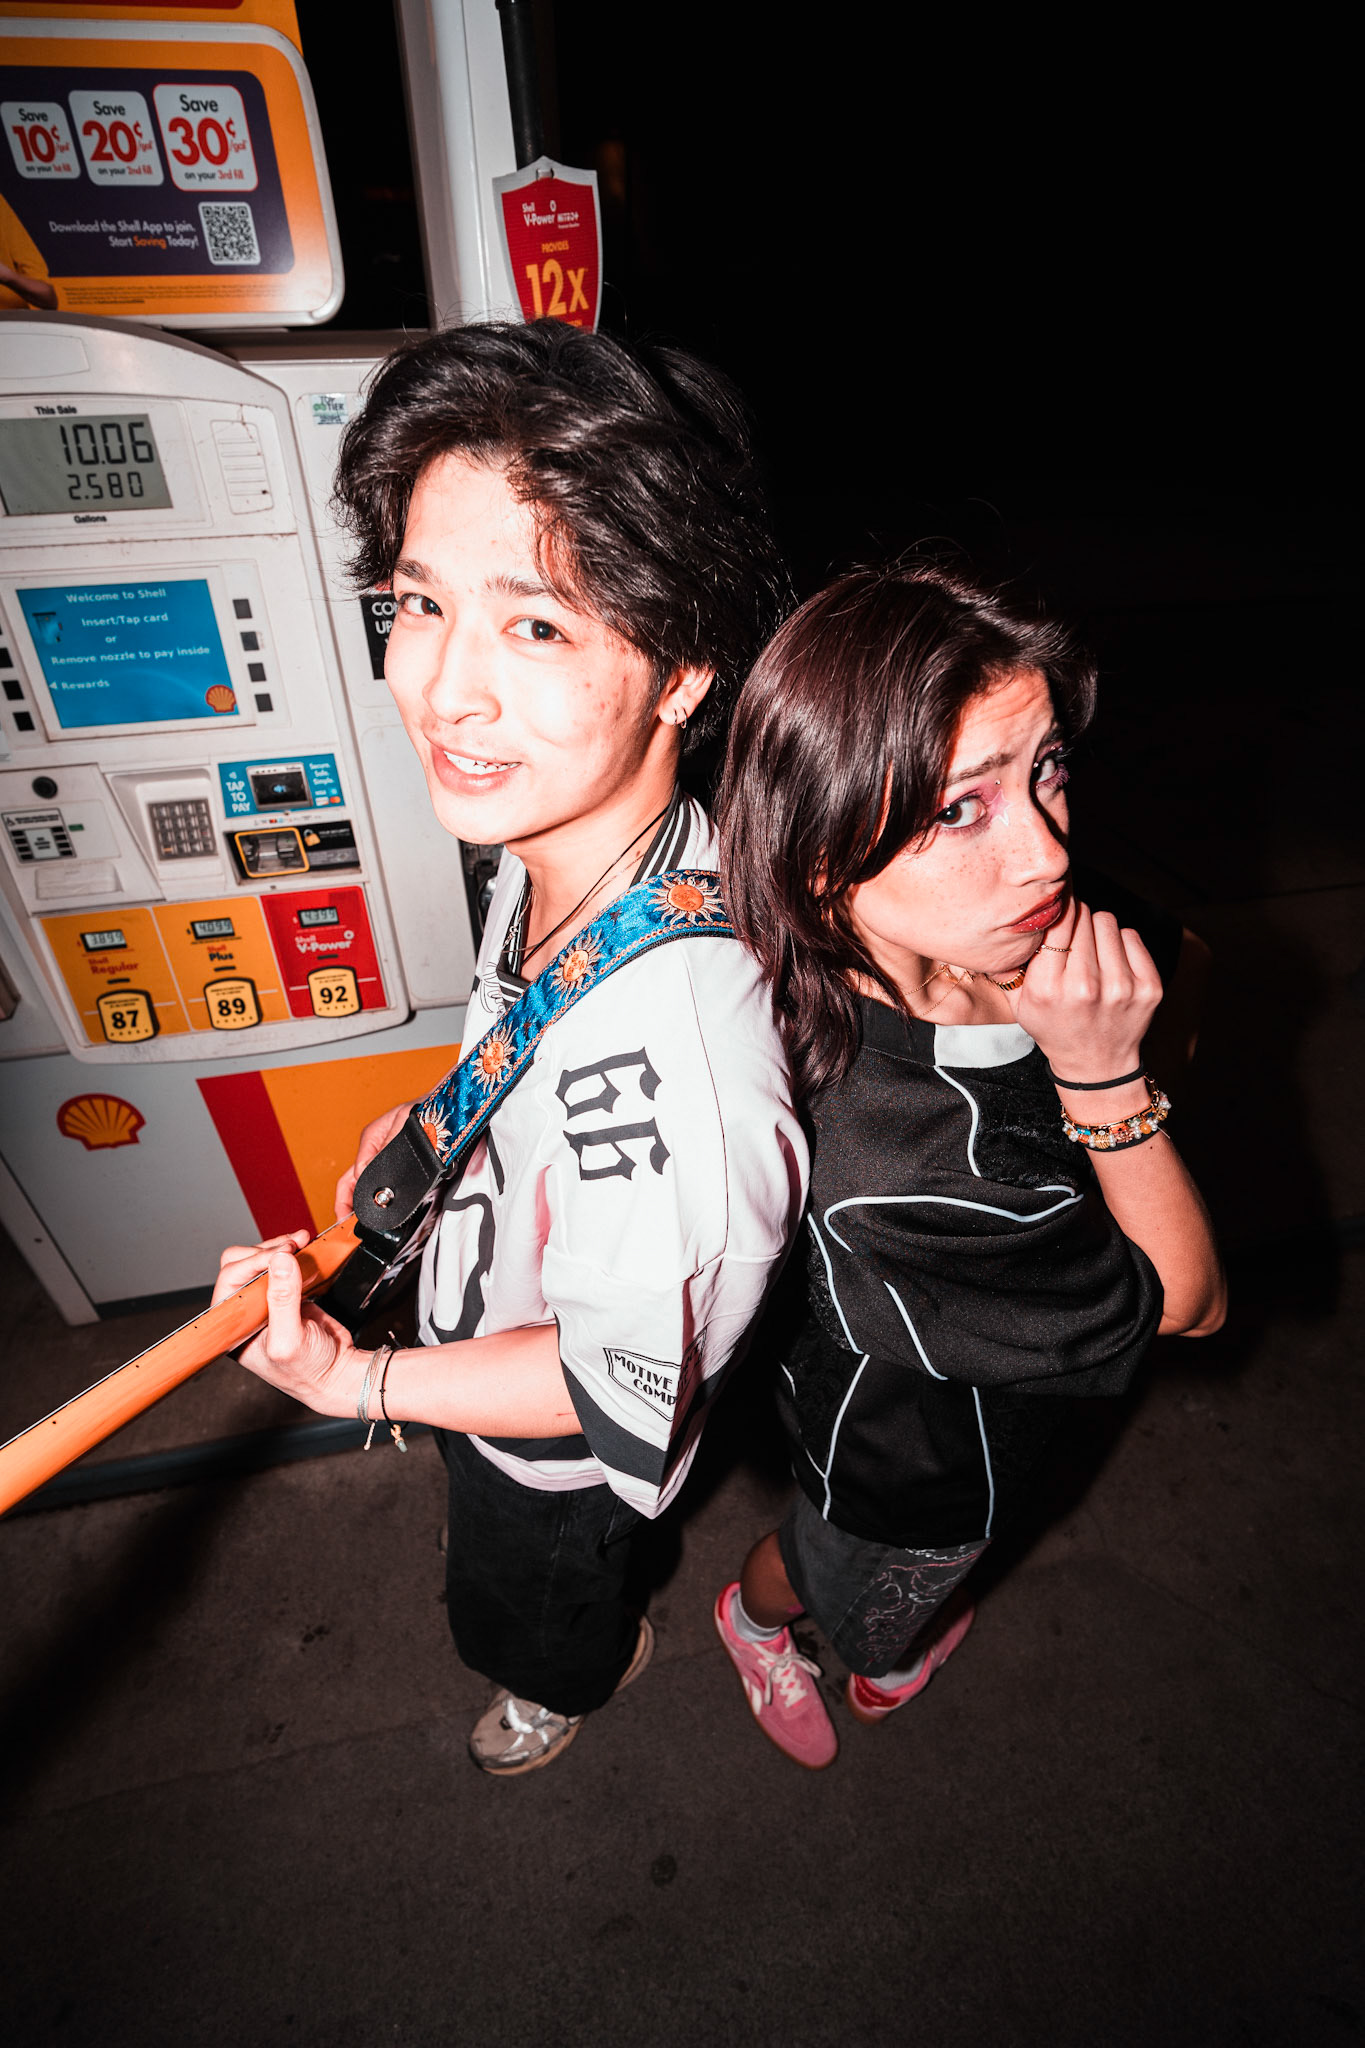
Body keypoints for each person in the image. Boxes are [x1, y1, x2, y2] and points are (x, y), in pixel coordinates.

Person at [211, 321, 806, 1776]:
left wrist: (355, 1383)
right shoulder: (571, 840)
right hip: (482, 1315)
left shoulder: (685, 1068)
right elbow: (528, 1034)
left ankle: (570, 1676)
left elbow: (610, 1385)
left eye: (536, 625)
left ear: (684, 669)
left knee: (522, 1603)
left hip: (548, 1459)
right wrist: (442, 1117)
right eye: (421, 604)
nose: (445, 691)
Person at [711, 564, 1226, 1768]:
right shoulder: (908, 1176)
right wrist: (1105, 1077)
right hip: (906, 1457)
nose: (1048, 853)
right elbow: (1191, 1303)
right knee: (846, 1575)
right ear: (819, 847)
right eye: (960, 808)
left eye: (1048, 767)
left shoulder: (971, 924)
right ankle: (765, 1626)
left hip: (977, 1375)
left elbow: (1180, 962)